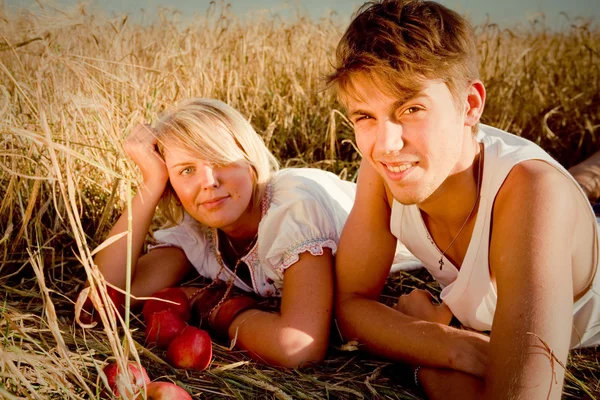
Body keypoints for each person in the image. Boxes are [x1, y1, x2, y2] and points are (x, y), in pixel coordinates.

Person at [327, 1, 600, 399]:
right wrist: (449, 344)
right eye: (365, 116)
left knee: (565, 186)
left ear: (470, 105)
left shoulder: (535, 194)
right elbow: (349, 306)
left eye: (412, 108)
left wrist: (415, 358)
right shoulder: (384, 169)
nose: (385, 145)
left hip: (570, 229)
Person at [92, 97, 419, 368]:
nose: (208, 181)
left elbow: (298, 347)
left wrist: (212, 303)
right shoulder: (197, 231)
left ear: (249, 162)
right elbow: (105, 299)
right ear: (172, 187)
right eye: (186, 171)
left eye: (220, 159)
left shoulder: (290, 207)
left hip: (427, 242)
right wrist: (151, 184)